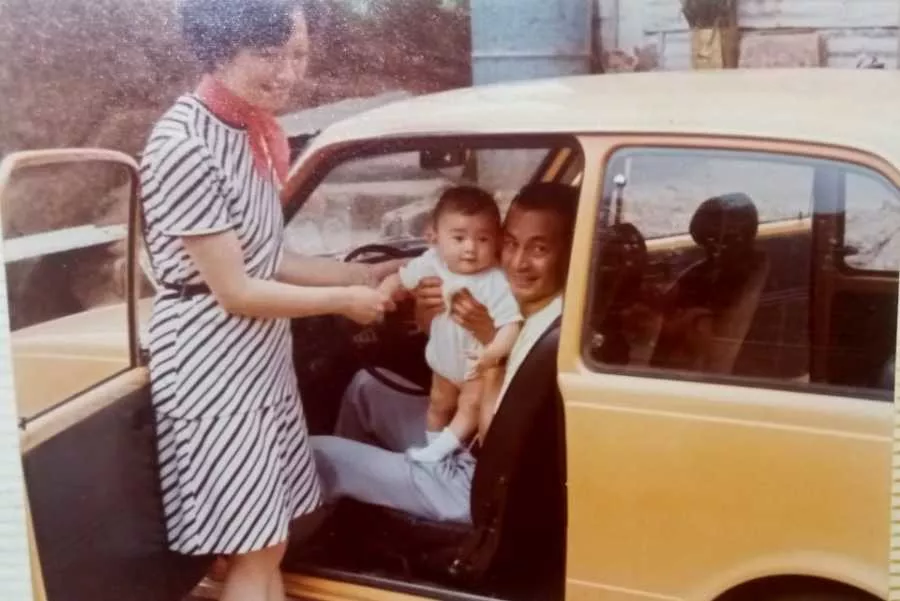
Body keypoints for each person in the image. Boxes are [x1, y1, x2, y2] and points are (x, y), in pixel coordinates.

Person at [138, 1, 397, 600]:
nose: (288, 72)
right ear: (220, 51)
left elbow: (267, 257)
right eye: (269, 55)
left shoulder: (245, 127)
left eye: (299, 54)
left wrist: (362, 273)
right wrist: (344, 303)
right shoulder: (184, 144)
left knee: (268, 540)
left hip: (256, 361)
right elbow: (236, 289)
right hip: (212, 367)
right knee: (254, 548)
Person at [311, 182, 578, 524]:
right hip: (460, 444)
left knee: (315, 455)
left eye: (539, 249)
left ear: (570, 252)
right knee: (365, 388)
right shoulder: (513, 295)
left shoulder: (548, 327)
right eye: (510, 243)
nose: (518, 262)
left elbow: (498, 445)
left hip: (471, 482)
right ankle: (354, 514)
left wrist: (491, 351)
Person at [378, 185, 523, 463]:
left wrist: (490, 354)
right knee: (438, 405)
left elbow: (510, 325)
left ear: (497, 241)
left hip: (476, 366)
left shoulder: (495, 282)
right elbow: (400, 279)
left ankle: (437, 452)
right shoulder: (432, 264)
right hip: (443, 363)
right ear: (435, 237)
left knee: (469, 407)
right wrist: (383, 294)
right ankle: (434, 449)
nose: (470, 248)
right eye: (459, 238)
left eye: (483, 239)